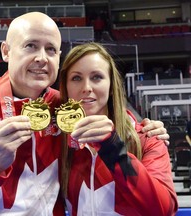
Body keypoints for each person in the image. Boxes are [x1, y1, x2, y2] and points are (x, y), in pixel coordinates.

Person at [0, 12, 170, 215]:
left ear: (59, 58)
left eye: (51, 49)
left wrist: (145, 130)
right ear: (6, 51)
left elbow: (107, 111)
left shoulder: (66, 107)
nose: (42, 58)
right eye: (31, 46)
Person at [58, 42, 177, 215]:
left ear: (111, 86)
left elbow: (162, 209)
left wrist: (113, 148)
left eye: (96, 77)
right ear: (66, 87)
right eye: (76, 78)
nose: (86, 88)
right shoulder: (60, 142)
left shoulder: (147, 138)